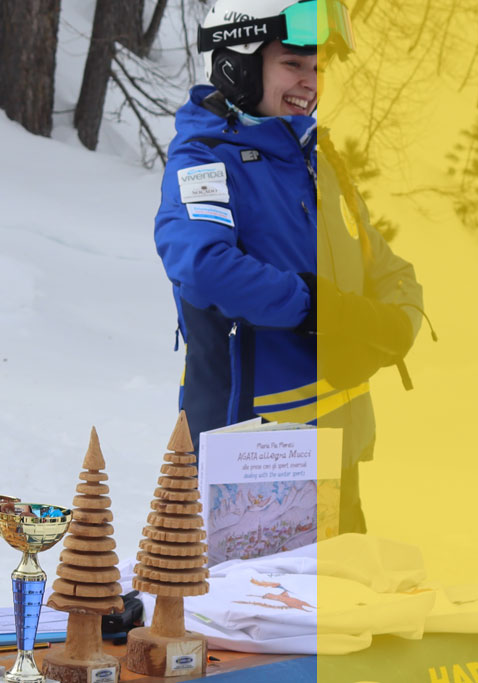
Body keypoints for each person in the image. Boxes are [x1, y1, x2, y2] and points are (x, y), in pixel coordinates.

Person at [155, 0, 423, 533]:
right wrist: (314, 306)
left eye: (319, 67)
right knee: (266, 592)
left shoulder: (316, 158)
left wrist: (398, 320)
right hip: (258, 458)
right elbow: (204, 265)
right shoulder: (206, 160)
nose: (311, 82)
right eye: (293, 64)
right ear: (237, 64)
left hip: (338, 445)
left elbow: (383, 262)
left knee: (345, 583)